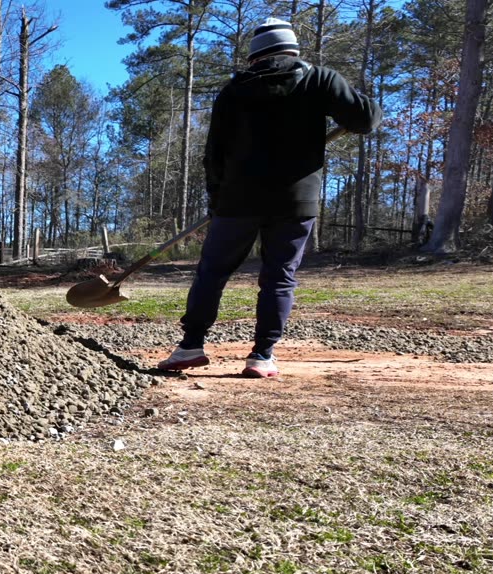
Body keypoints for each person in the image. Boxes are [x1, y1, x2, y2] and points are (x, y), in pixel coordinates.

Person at [158, 18, 381, 378]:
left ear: (254, 57)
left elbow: (214, 154)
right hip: (295, 199)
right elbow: (365, 120)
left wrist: (215, 199)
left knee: (212, 272)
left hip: (238, 198)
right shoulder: (319, 80)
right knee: (279, 277)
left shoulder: (234, 91)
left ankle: (190, 346)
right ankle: (262, 356)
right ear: (292, 50)